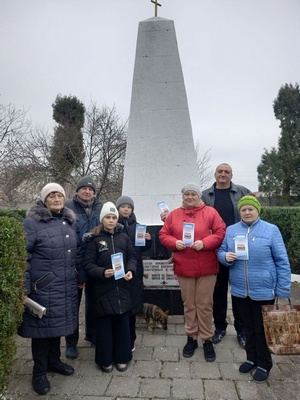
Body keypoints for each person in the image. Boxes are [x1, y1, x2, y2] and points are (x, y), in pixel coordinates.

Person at [19, 183, 84, 395]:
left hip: (64, 285)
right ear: (44, 199)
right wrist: (24, 288)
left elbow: (76, 253)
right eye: (52, 196)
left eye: (60, 195)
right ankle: (39, 372)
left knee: (57, 326)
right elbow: (22, 257)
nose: (57, 199)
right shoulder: (32, 223)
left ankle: (54, 361)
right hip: (43, 287)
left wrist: (78, 276)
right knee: (41, 332)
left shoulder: (68, 222)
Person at [218, 195, 291, 383]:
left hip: (264, 289)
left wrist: (283, 289)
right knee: (246, 328)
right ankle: (251, 358)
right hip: (240, 289)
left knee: (262, 329)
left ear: (257, 210)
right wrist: (226, 256)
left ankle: (264, 364)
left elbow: (282, 261)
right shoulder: (231, 230)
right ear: (239, 212)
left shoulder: (271, 230)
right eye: (243, 209)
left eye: (251, 209)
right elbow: (220, 252)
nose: (247, 212)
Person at [159, 183, 226, 362]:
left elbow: (220, 232)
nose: (189, 197)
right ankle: (191, 337)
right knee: (189, 304)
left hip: (206, 267)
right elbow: (163, 234)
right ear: (183, 196)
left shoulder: (210, 212)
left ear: (199, 196)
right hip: (184, 266)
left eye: (193, 194)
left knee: (204, 304)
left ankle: (207, 339)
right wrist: (174, 243)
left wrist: (205, 243)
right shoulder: (174, 214)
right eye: (186, 194)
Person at [83, 202, 137, 372]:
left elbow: (132, 257)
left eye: (114, 217)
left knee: (122, 324)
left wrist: (130, 270)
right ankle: (105, 360)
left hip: (122, 287)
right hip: (103, 289)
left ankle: (122, 358)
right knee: (105, 327)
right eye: (108, 217)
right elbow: (88, 264)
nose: (111, 220)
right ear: (102, 219)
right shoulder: (94, 240)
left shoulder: (124, 237)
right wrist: (102, 272)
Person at [202, 163, 251, 348]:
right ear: (215, 174)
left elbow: (252, 213)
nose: (223, 174)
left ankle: (242, 330)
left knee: (239, 292)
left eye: (227, 172)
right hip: (215, 248)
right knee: (218, 292)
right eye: (220, 171)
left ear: (231, 174)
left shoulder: (242, 191)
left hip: (238, 247)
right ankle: (220, 327)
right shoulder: (205, 195)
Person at [64, 175, 103, 359]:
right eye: (84, 188)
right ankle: (71, 342)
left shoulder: (100, 207)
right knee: (73, 304)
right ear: (77, 190)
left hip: (95, 262)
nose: (87, 191)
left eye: (91, 189)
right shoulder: (68, 207)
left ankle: (93, 334)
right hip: (74, 262)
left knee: (95, 302)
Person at [116, 195, 152, 351]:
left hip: (135, 269)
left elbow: (142, 249)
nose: (126, 209)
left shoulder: (138, 226)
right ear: (118, 209)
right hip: (117, 269)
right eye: (123, 206)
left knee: (132, 304)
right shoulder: (112, 224)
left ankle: (131, 338)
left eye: (128, 207)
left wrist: (148, 240)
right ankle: (118, 337)